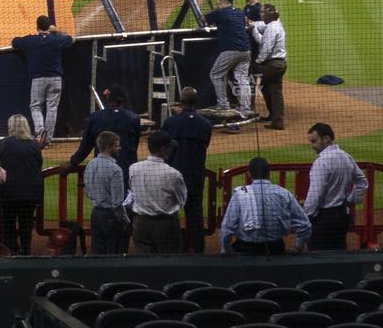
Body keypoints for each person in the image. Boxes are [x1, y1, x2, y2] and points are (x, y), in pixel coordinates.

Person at [217, 157, 311, 254]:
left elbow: (227, 228)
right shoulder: (284, 193)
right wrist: (298, 247)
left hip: (246, 250)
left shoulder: (239, 194)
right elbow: (305, 225)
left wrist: (226, 251)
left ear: (249, 174)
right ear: (269, 173)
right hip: (276, 249)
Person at [157, 91, 213, 235]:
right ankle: (197, 248)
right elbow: (205, 144)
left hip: (172, 174)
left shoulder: (171, 122)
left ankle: (171, 245)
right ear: (196, 102)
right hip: (196, 174)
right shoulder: (205, 123)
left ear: (180, 101)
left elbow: (163, 145)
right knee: (195, 212)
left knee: (169, 211)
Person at [11, 16, 72, 142]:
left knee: (36, 106)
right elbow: (70, 39)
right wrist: (56, 31)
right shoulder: (56, 40)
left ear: (37, 26)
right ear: (49, 27)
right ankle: (48, 139)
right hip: (56, 79)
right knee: (52, 108)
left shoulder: (30, 41)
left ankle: (40, 134)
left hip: (38, 79)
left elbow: (14, 41)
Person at [302, 123, 361, 251]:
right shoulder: (346, 156)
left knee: (319, 257)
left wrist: (305, 217)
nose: (312, 146)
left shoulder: (321, 162)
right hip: (342, 215)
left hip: (324, 219)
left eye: (314, 141)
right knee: (339, 254)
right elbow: (362, 181)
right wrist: (351, 200)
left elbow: (315, 196)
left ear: (326, 139)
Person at [127, 132, 188, 254]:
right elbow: (182, 201)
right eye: (169, 147)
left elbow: (133, 191)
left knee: (145, 265)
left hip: (141, 224)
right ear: (163, 149)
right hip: (166, 226)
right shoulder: (173, 174)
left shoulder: (133, 168)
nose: (171, 149)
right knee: (170, 264)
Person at [0, 114, 42, 256]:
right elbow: (38, 164)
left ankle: (13, 253)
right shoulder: (34, 144)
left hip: (10, 193)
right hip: (30, 193)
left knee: (9, 225)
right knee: (26, 225)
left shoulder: (3, 144)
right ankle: (25, 253)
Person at [205, 0, 254, 116]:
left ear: (223, 0)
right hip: (246, 51)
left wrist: (216, 12)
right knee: (243, 79)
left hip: (231, 50)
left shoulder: (220, 13)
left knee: (216, 74)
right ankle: (246, 108)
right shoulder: (239, 12)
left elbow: (203, 19)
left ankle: (223, 104)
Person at [82, 130, 130, 255]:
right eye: (117, 145)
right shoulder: (115, 169)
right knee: (114, 254)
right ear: (109, 147)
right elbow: (117, 203)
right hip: (111, 217)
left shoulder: (90, 164)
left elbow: (87, 192)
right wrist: (125, 221)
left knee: (97, 253)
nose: (120, 148)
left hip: (96, 215)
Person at [72, 87, 142, 168]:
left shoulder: (95, 117)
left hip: (102, 168)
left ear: (109, 98)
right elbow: (134, 145)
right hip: (127, 168)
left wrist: (73, 162)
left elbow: (86, 146)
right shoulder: (134, 118)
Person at [251, 4, 289, 129]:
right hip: (280, 64)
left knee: (248, 72)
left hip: (273, 65)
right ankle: (276, 120)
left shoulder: (272, 28)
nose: (260, 14)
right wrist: (253, 27)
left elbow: (266, 48)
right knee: (273, 90)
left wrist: (258, 62)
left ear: (268, 15)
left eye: (262, 13)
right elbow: (262, 35)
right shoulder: (275, 24)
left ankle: (246, 109)